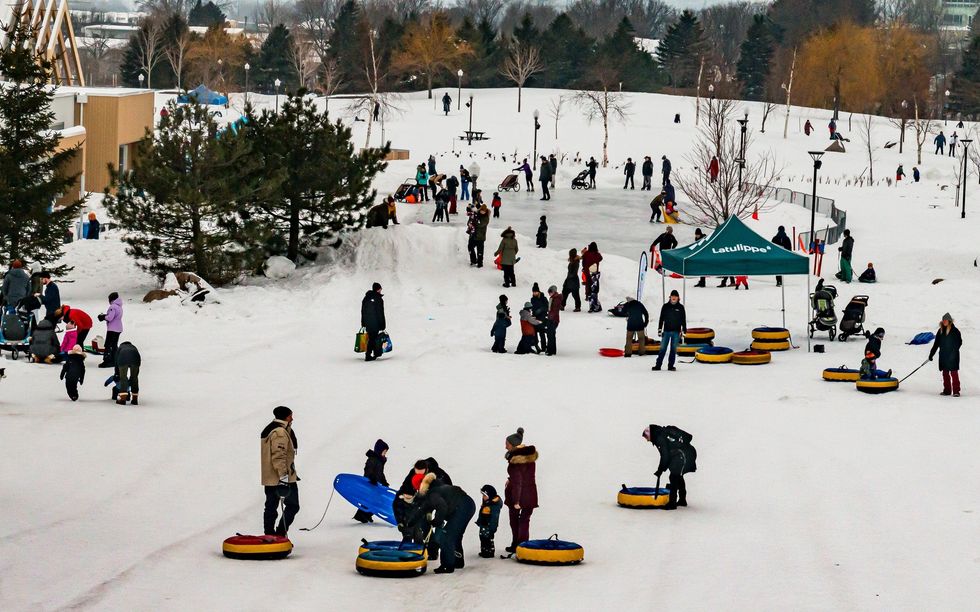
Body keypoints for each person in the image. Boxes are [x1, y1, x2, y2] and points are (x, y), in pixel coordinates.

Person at [413, 473, 476, 574]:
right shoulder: (435, 489)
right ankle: (457, 561)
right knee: (455, 535)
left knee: (447, 536)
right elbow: (422, 510)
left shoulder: (433, 493)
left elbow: (442, 507)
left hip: (462, 507)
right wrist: (410, 523)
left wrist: (437, 521)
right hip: (467, 505)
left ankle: (447, 566)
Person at [261, 406, 300, 536]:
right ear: (286, 417)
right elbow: (279, 456)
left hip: (271, 478)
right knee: (293, 506)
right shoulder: (280, 432)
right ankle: (279, 534)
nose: (292, 418)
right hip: (281, 477)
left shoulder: (272, 428)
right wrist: (283, 477)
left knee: (271, 507)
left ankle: (269, 535)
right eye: (290, 416)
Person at [642, 424, 696, 509]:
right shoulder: (661, 434)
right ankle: (682, 500)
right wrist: (661, 469)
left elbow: (665, 456)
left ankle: (672, 503)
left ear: (650, 434)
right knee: (678, 476)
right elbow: (666, 455)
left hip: (682, 455)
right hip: (683, 454)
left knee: (674, 477)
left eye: (646, 437)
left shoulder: (659, 438)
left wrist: (660, 470)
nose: (647, 440)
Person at [503, 427, 537, 554]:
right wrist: (510, 478)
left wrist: (516, 501)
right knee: (524, 520)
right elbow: (524, 474)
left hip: (518, 495)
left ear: (513, 445)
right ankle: (521, 546)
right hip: (530, 494)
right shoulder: (527, 456)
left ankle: (518, 546)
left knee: (516, 521)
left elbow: (518, 482)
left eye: (507, 444)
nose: (505, 447)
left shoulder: (516, 461)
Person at [354, 439, 389, 523]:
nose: (385, 454)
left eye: (386, 452)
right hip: (370, 483)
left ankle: (366, 515)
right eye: (384, 451)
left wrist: (384, 482)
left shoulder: (380, 461)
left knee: (375, 501)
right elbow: (368, 470)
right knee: (370, 500)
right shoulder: (372, 459)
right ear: (379, 450)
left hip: (376, 484)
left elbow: (381, 473)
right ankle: (362, 515)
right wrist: (371, 479)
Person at [930, 313, 962, 396]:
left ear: (949, 321)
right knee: (945, 373)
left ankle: (956, 391)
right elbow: (936, 344)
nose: (944, 321)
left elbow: (959, 342)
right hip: (943, 356)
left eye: (946, 320)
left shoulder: (955, 331)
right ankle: (947, 390)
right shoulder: (940, 331)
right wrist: (931, 354)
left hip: (953, 356)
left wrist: (953, 352)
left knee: (954, 373)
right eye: (943, 320)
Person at [653, 290, 686, 372]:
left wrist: (684, 330)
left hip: (676, 332)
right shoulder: (665, 306)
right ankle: (658, 365)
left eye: (675, 296)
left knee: (673, 349)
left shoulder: (681, 307)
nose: (674, 297)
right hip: (666, 331)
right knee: (662, 349)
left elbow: (683, 320)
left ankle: (671, 366)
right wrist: (659, 329)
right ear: (670, 297)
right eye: (672, 296)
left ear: (678, 298)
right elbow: (661, 318)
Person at [361, 282, 386, 362]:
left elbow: (363, 311)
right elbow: (380, 313)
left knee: (372, 338)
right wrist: (382, 325)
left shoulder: (366, 298)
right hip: (375, 322)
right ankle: (368, 355)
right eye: (380, 288)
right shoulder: (378, 299)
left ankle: (374, 353)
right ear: (377, 289)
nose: (381, 290)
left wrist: (363, 323)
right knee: (373, 338)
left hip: (368, 322)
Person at [476, 485, 503, 558]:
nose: (483, 497)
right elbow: (482, 513)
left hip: (489, 526)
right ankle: (484, 551)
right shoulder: (487, 502)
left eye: (485, 495)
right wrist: (479, 521)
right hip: (483, 524)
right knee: (482, 537)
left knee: (487, 538)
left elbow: (495, 518)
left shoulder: (494, 505)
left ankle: (489, 552)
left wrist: (493, 528)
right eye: (483, 495)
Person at [98, 292, 123, 367]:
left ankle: (107, 361)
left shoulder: (113, 307)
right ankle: (115, 360)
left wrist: (102, 317)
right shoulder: (119, 306)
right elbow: (114, 316)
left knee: (108, 345)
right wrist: (105, 315)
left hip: (112, 329)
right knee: (114, 345)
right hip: (118, 328)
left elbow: (110, 318)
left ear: (111, 299)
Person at [583, 242, 603, 312]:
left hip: (588, 274)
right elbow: (601, 258)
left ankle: (591, 307)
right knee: (594, 291)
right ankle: (596, 306)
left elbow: (583, 263)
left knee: (589, 291)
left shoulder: (586, 254)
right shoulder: (597, 254)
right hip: (594, 275)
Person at [530, 283, 549, 353]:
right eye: (533, 292)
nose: (534, 293)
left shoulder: (543, 298)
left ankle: (544, 347)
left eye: (536, 292)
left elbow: (547, 307)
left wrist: (541, 309)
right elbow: (533, 308)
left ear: (538, 292)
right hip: (535, 318)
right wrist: (533, 315)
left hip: (542, 318)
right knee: (534, 333)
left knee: (542, 332)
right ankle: (536, 346)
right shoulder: (532, 299)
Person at [545, 285, 561, 356]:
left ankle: (550, 350)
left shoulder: (556, 298)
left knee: (550, 334)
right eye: (549, 292)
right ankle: (552, 350)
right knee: (551, 334)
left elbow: (554, 310)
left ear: (554, 292)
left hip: (553, 319)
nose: (549, 293)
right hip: (552, 319)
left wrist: (550, 317)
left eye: (550, 292)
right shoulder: (552, 298)